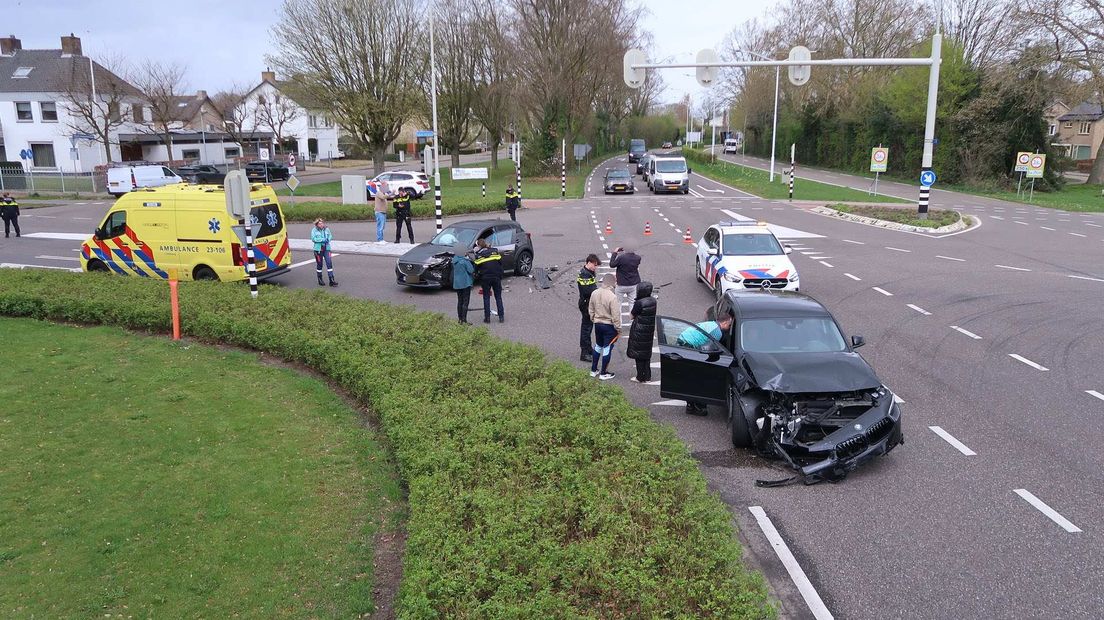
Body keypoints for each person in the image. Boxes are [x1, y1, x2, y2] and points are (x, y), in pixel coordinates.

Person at [681, 313, 735, 416]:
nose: (729, 328)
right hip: (689, 345)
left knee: (692, 377)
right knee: (699, 378)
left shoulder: (711, 324)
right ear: (724, 322)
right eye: (729, 325)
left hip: (683, 340)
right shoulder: (717, 332)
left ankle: (691, 405)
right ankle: (696, 406)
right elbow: (709, 349)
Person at [588, 273, 621, 380]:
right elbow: (616, 315)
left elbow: (591, 308)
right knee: (607, 348)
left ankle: (593, 370)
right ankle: (603, 373)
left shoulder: (594, 293)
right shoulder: (612, 297)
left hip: (597, 324)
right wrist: (618, 328)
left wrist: (593, 318)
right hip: (609, 326)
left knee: (598, 346)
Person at [626, 281, 656, 383]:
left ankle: (639, 377)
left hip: (639, 330)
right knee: (646, 354)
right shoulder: (653, 301)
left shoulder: (639, 303)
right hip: (649, 330)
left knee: (638, 354)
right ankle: (647, 376)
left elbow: (631, 316)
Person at [473, 238, 504, 323]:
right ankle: (501, 317)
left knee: (486, 297)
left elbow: (475, 269)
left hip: (485, 278)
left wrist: (476, 276)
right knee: (498, 297)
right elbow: (500, 263)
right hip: (496, 277)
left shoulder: (479, 255)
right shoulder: (495, 252)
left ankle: (487, 318)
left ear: (478, 246)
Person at [576, 254, 600, 361]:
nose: (596, 267)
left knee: (588, 328)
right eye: (595, 265)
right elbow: (587, 291)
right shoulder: (585, 274)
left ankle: (588, 348)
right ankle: (584, 353)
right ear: (589, 263)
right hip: (586, 304)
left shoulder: (589, 272)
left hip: (588, 303)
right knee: (586, 329)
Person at [310, 218, 337, 287]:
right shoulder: (314, 230)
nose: (321, 224)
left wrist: (328, 239)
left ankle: (331, 280)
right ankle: (320, 279)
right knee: (320, 264)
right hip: (318, 250)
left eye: (322, 223)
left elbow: (330, 235)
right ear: (317, 225)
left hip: (327, 249)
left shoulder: (326, 229)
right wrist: (322, 240)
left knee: (329, 263)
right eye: (320, 223)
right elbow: (313, 239)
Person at [451, 251, 475, 324]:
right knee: (465, 301)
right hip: (465, 283)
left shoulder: (454, 261)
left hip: (457, 283)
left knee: (460, 301)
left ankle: (460, 319)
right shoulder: (465, 261)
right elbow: (471, 270)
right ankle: (464, 320)